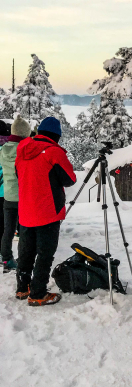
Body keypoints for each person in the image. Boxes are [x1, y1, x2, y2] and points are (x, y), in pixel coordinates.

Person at [15, 117, 75, 305]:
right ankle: (38, 293)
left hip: (25, 210)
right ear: (56, 136)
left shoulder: (22, 150)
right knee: (45, 254)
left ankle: (23, 288)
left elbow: (19, 174)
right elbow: (69, 179)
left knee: (26, 251)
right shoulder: (54, 152)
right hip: (47, 212)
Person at [1, 117, 25, 273]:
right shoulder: (22, 149)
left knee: (7, 229)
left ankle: (6, 258)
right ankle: (24, 259)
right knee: (24, 230)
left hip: (8, 194)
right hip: (22, 195)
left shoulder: (2, 151)